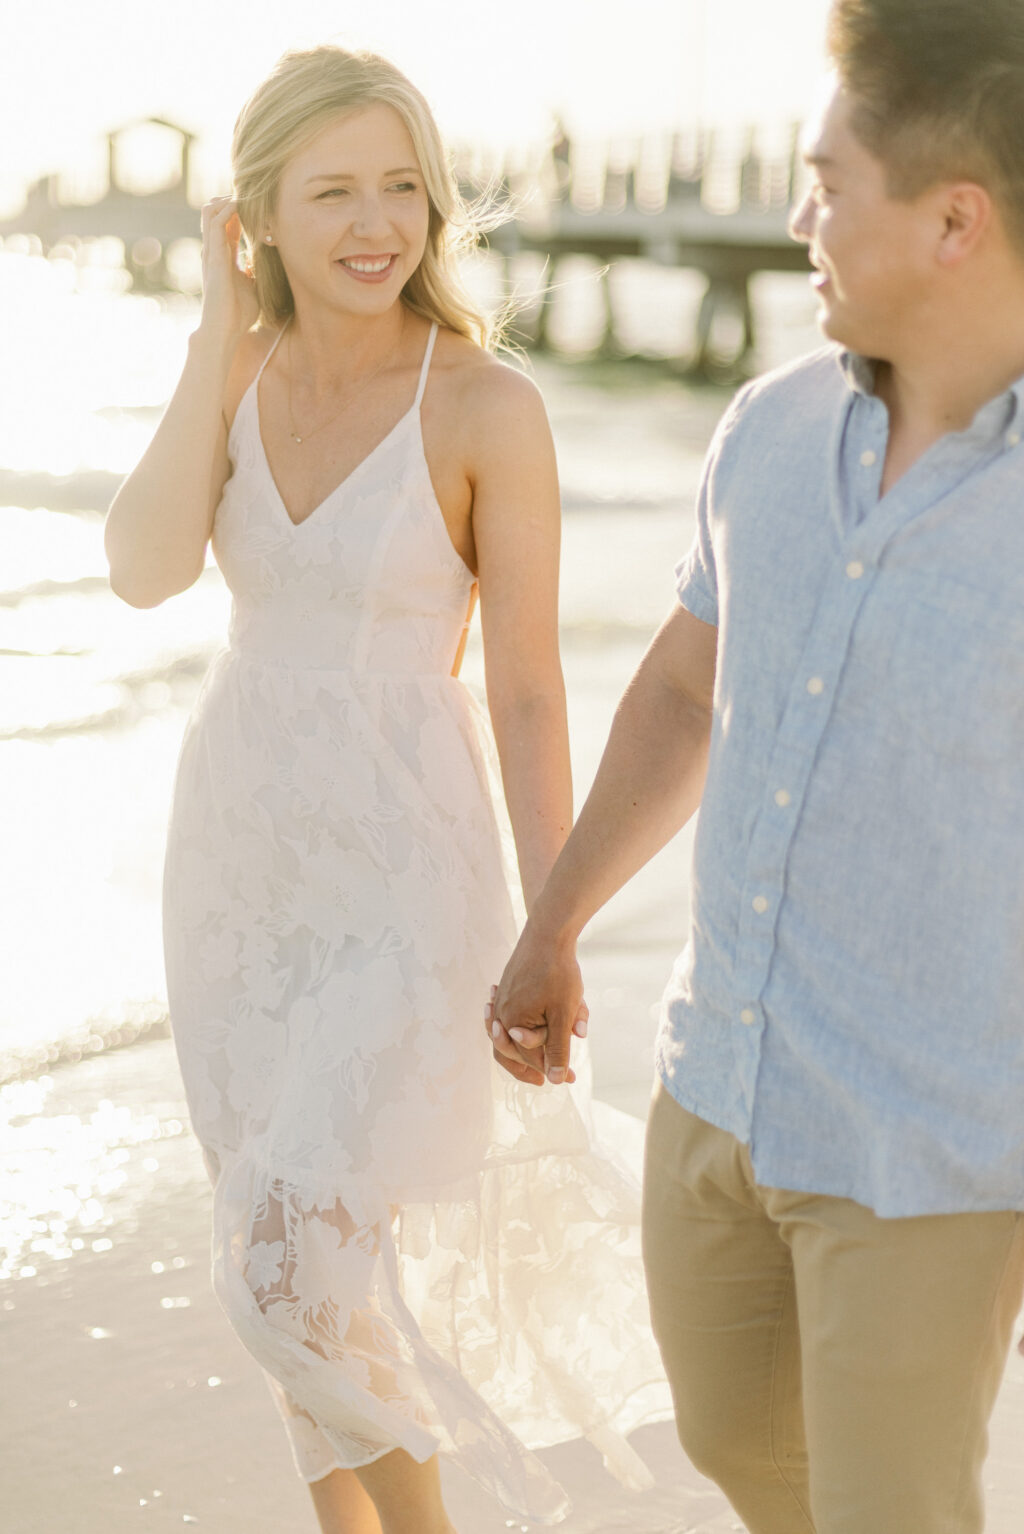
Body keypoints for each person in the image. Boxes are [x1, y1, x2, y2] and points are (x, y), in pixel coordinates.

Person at [104, 45, 669, 1534]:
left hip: (411, 877)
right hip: (237, 867)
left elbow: (533, 689)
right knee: (289, 1256)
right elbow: (145, 569)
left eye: (403, 188)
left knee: (288, 1248)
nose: (376, 225)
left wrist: (555, 922)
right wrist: (215, 330)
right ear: (260, 215)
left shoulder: (487, 408)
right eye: (333, 191)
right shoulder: (237, 371)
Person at [489, 2, 1024, 1530]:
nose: (797, 216)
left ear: (952, 221)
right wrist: (557, 920)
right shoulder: (769, 428)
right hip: (713, 1086)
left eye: (825, 182)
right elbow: (679, 682)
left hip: (925, 1156)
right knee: (735, 1451)